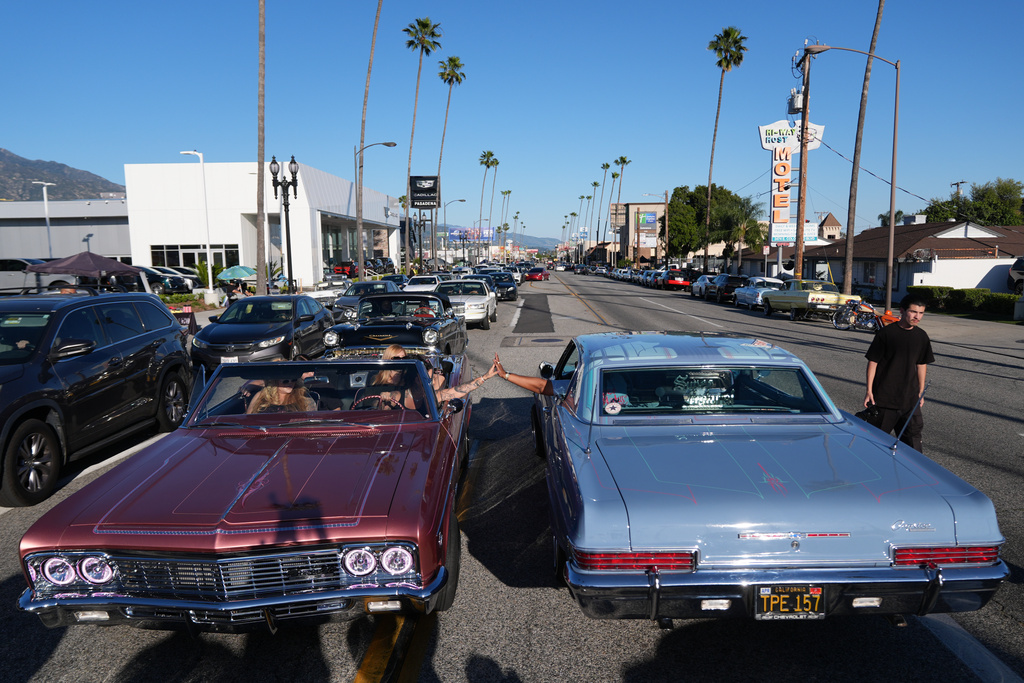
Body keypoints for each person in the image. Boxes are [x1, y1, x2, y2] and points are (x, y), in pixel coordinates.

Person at [863, 293, 935, 452]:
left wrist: (920, 391)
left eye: (921, 313)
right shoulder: (886, 334)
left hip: (910, 401)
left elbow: (921, 364)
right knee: (875, 446)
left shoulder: (921, 336)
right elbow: (873, 362)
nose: (917, 317)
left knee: (914, 447)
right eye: (913, 312)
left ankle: (913, 476)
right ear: (902, 311)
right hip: (885, 400)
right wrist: (869, 390)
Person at [246, 376, 316, 413]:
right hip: (263, 434)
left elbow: (313, 422)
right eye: (285, 381)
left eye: (293, 380)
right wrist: (247, 387)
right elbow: (248, 419)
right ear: (275, 381)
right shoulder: (261, 395)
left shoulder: (302, 396)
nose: (290, 383)